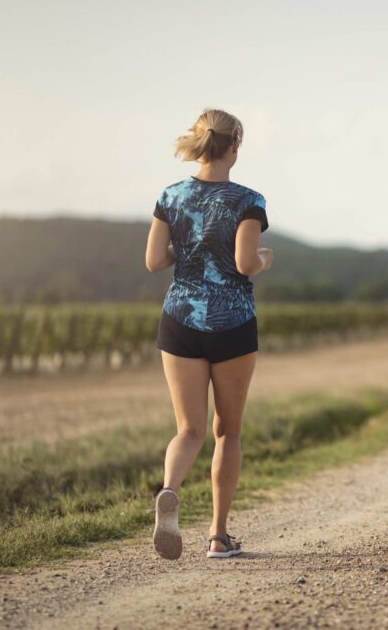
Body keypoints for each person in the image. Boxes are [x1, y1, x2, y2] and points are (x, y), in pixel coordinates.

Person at [144, 108, 273, 560]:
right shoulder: (248, 199)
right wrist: (264, 260)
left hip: (180, 319)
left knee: (189, 429)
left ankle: (170, 489)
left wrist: (192, 244)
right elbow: (244, 263)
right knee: (228, 430)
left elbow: (154, 260)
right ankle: (219, 536)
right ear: (234, 145)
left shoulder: (171, 194)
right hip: (232, 322)